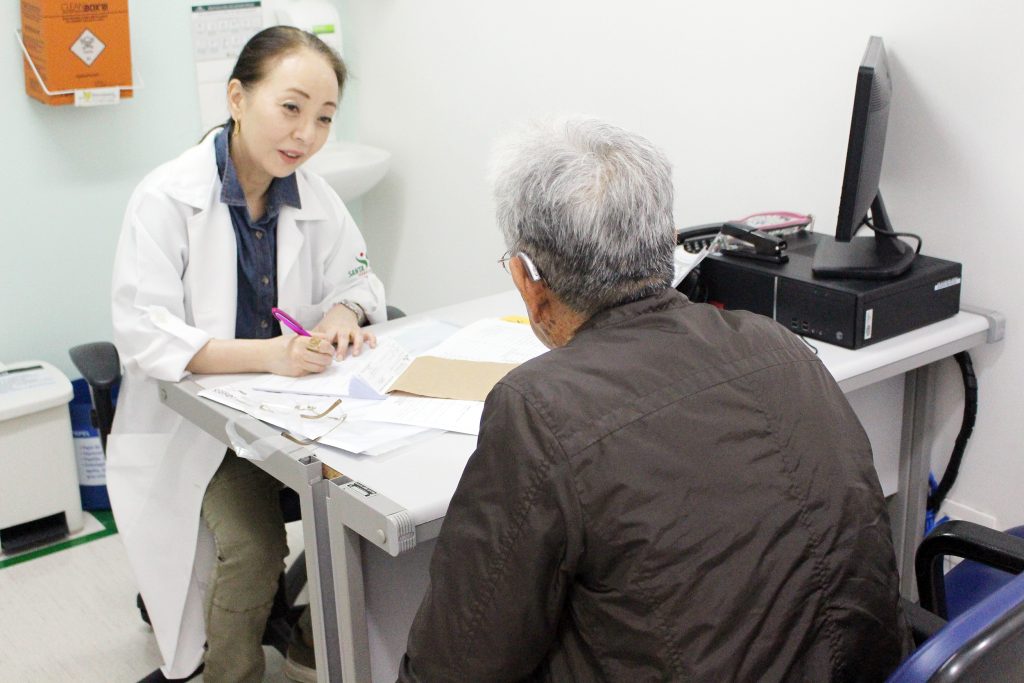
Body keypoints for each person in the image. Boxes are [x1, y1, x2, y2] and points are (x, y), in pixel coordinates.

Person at [398, 118, 911, 681]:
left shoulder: (537, 408)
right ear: (667, 244)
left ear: (527, 279)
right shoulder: (780, 345)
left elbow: (458, 662)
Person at [108, 26, 385, 683]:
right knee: (255, 548)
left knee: (374, 511)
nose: (306, 134)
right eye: (290, 108)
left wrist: (345, 313)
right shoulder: (165, 198)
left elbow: (359, 277)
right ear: (238, 96)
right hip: (197, 423)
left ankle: (315, 648)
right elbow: (145, 333)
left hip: (293, 409)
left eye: (323, 117)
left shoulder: (314, 197)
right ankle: (227, 673)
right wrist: (268, 355)